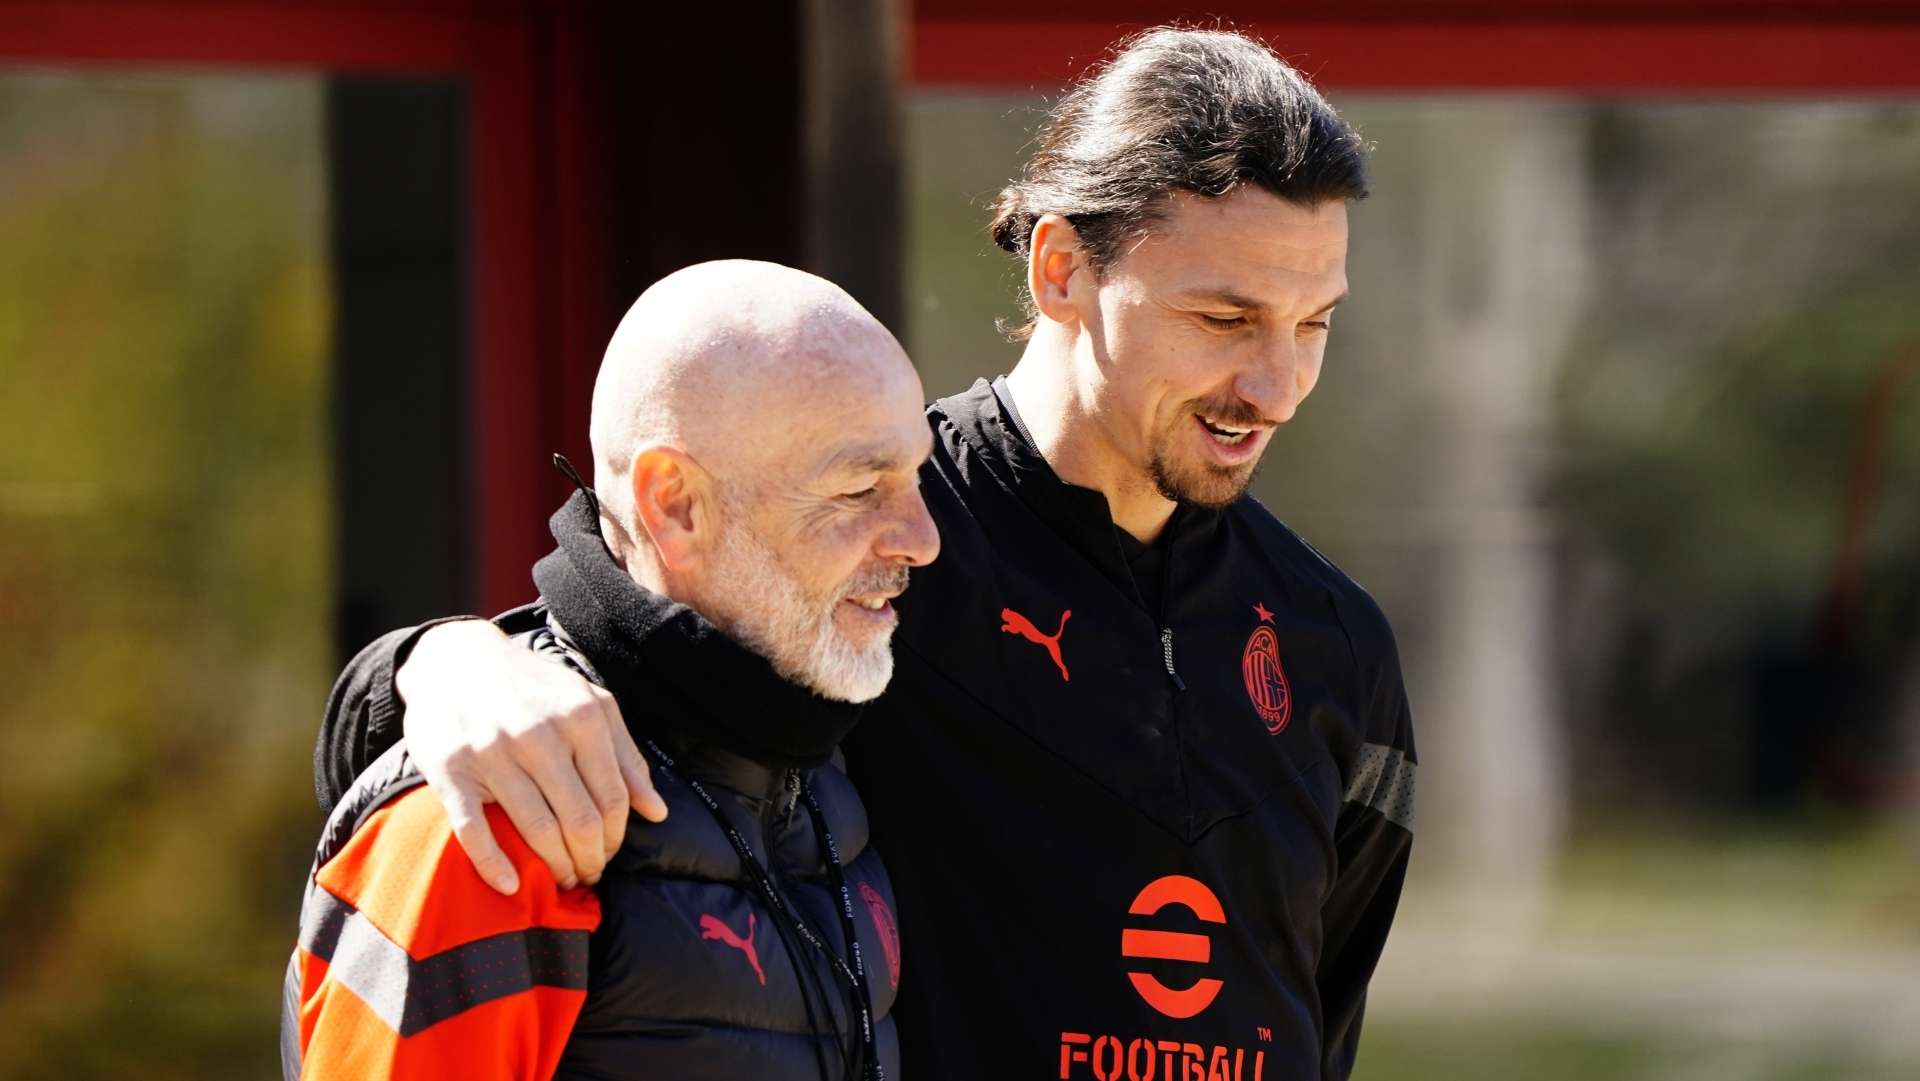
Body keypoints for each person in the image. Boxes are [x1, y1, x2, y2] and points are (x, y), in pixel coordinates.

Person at [315, 27, 1417, 1080]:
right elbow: (614, 651)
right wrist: (435, 664)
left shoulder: (1337, 645)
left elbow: (1320, 1018)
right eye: (1225, 319)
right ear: (1059, 271)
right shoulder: (868, 538)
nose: (1275, 385)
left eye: (1313, 322)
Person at [283, 260, 937, 1080]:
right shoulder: (490, 809)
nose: (921, 536)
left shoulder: (817, 755)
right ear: (675, 505)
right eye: (860, 487)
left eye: (916, 475)